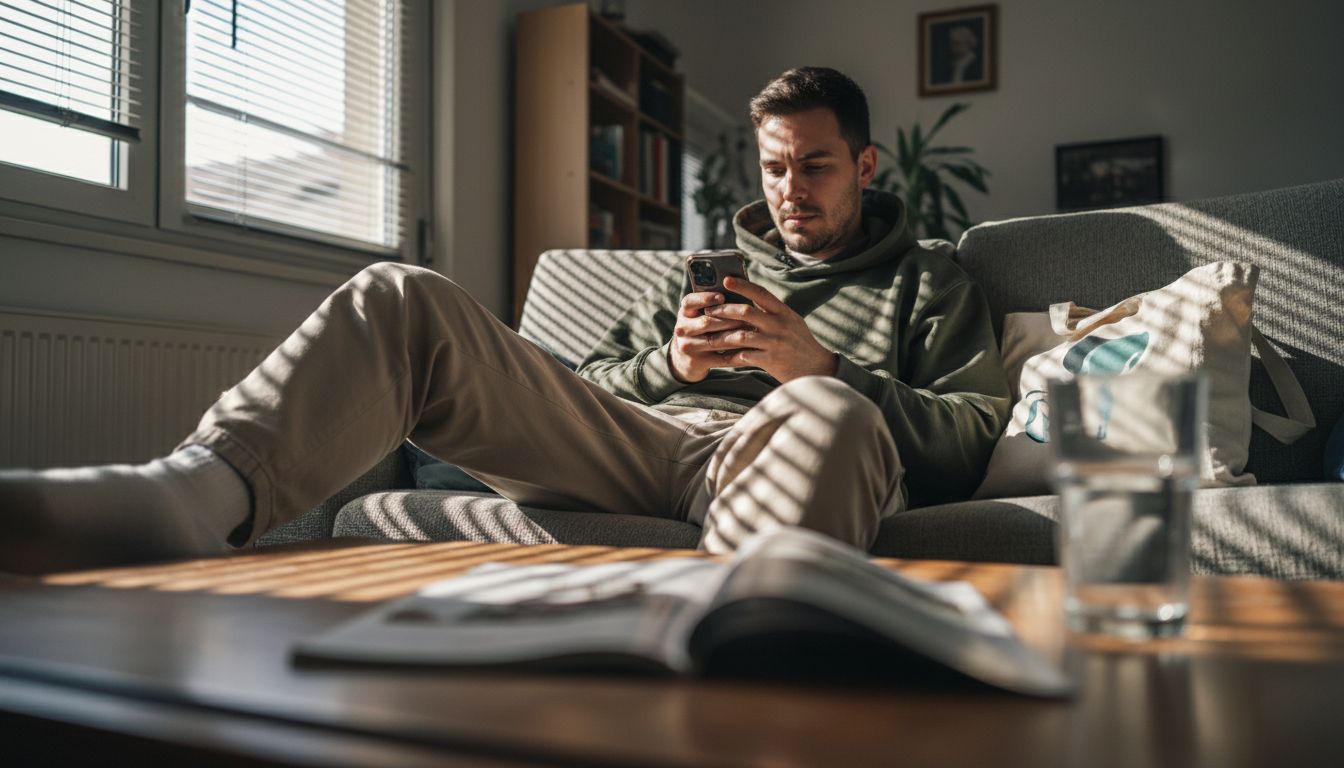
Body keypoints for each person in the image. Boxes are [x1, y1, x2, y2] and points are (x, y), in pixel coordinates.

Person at [0, 67, 1009, 574]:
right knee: (399, 294)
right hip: (647, 441)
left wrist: (821, 367)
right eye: (775, 166)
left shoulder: (934, 280)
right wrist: (668, 364)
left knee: (826, 419)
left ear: (867, 167)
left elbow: (974, 436)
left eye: (817, 165)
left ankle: (730, 645)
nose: (791, 189)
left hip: (787, 448)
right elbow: (585, 384)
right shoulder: (709, 271)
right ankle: (196, 495)